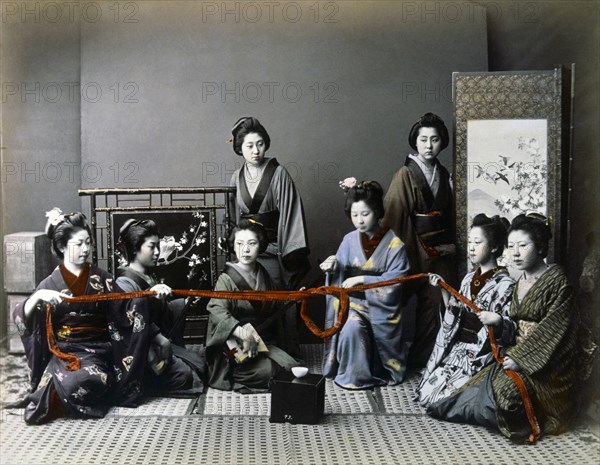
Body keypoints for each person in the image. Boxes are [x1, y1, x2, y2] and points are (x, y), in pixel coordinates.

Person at [427, 213, 581, 443]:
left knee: (507, 395)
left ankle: (534, 417)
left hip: (549, 366)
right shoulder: (521, 280)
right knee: (472, 389)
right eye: (511, 247)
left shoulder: (557, 281)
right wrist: (500, 326)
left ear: (540, 247)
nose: (515, 253)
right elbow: (513, 326)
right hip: (519, 353)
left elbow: (553, 330)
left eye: (523, 246)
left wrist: (520, 358)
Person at [12, 208, 150, 424]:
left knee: (88, 378)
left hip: (96, 351)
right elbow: (22, 315)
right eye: (79, 244)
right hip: (63, 352)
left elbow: (128, 303)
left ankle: (61, 396)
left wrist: (150, 294)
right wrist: (39, 296)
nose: (85, 249)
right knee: (43, 395)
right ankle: (55, 394)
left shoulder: (101, 278)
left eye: (88, 243)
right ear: (62, 246)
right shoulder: (49, 284)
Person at [320, 180, 414, 389]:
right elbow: (340, 275)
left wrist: (363, 279)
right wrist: (333, 266)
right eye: (355, 215)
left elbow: (397, 281)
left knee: (367, 330)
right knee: (351, 325)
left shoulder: (394, 244)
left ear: (377, 211)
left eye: (365, 214)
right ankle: (354, 377)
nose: (359, 221)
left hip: (381, 310)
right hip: (352, 304)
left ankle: (380, 370)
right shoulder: (349, 240)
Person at [416, 214, 515, 407]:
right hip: (460, 345)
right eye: (469, 241)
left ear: (494, 247)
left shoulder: (505, 284)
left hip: (482, 350)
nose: (470, 247)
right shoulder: (469, 278)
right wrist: (444, 289)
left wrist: (497, 320)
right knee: (428, 394)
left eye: (477, 242)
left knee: (451, 398)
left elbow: (509, 326)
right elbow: (455, 311)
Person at [382, 112, 456, 367]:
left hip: (440, 249)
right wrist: (406, 252)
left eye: (434, 140)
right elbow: (393, 216)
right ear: (415, 141)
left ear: (442, 143)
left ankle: (426, 360)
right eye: (423, 139)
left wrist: (447, 247)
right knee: (393, 300)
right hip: (411, 245)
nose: (428, 145)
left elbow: (450, 216)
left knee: (438, 302)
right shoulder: (404, 174)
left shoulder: (444, 175)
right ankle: (388, 359)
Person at [115, 219, 206, 397]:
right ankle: (145, 382)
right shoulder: (124, 281)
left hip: (155, 341)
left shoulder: (147, 275)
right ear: (135, 248)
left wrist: (183, 303)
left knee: (200, 364)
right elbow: (129, 322)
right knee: (185, 376)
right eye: (152, 247)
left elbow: (161, 311)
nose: (158, 252)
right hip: (140, 350)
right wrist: (148, 298)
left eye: (158, 246)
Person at [205, 219, 299, 392]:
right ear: (233, 246)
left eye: (252, 243)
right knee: (269, 371)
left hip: (258, 340)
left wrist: (295, 297)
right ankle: (232, 371)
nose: (245, 250)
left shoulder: (263, 274)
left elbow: (273, 307)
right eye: (239, 243)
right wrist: (241, 332)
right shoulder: (226, 279)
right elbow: (216, 310)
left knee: (291, 366)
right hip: (230, 346)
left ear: (261, 246)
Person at [228, 116, 310, 291]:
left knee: (275, 298)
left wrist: (289, 253)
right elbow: (232, 218)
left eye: (260, 144)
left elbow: (291, 213)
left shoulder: (278, 173)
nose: (256, 151)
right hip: (246, 252)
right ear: (240, 148)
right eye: (249, 146)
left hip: (273, 251)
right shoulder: (236, 177)